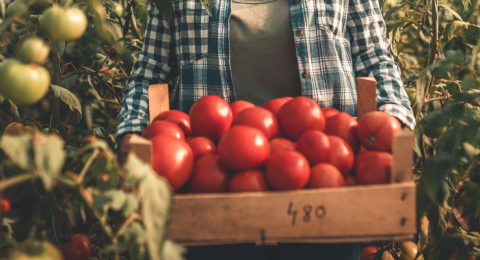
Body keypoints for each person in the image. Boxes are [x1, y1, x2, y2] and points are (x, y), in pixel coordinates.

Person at [116, 0, 415, 258]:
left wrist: (393, 122)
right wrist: (131, 135)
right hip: (211, 191)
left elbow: (375, 59)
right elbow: (151, 71)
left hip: (326, 185)